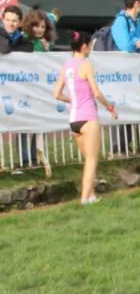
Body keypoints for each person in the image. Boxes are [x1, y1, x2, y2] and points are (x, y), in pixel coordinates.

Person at [53, 32, 119, 206]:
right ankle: (85, 198)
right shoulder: (86, 65)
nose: (90, 49)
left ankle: (91, 196)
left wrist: (73, 100)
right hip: (88, 117)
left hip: (74, 120)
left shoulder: (66, 65)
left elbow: (57, 94)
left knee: (88, 159)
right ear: (84, 47)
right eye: (89, 45)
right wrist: (109, 107)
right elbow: (96, 93)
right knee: (91, 160)